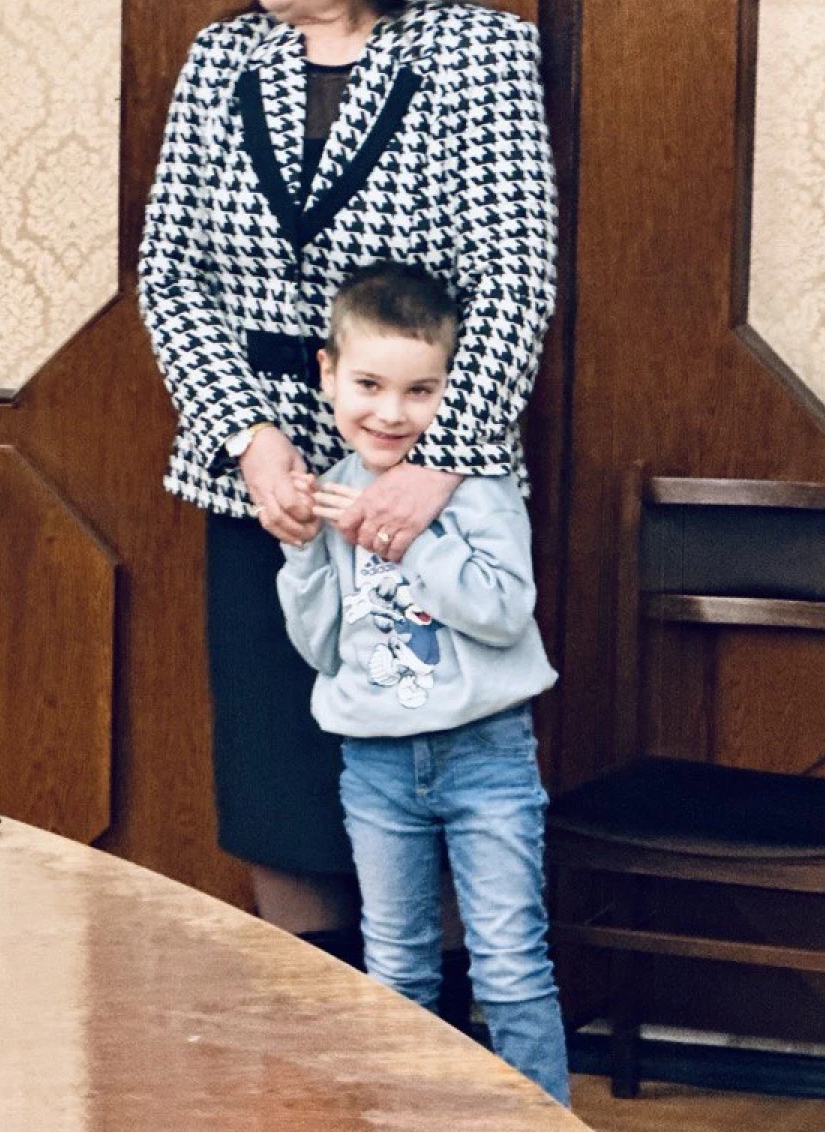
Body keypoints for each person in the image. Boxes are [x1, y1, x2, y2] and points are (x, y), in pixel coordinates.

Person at [137, 0, 558, 957]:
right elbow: (170, 277)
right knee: (278, 788)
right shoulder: (221, 59)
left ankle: (440, 1044)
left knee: (433, 784)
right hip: (263, 491)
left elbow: (513, 278)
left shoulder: (477, 51)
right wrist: (249, 439)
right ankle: (308, 1039)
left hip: (429, 497)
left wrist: (435, 468)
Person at [275, 260, 567, 1103]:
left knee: (509, 963)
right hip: (374, 763)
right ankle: (406, 1116)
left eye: (420, 391)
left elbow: (503, 611)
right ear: (328, 374)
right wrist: (304, 554)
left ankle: (539, 1119)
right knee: (396, 967)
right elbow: (322, 647)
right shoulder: (331, 489)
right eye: (369, 385)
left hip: (486, 755)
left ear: (450, 389)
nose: (391, 412)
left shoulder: (479, 486)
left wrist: (405, 537)